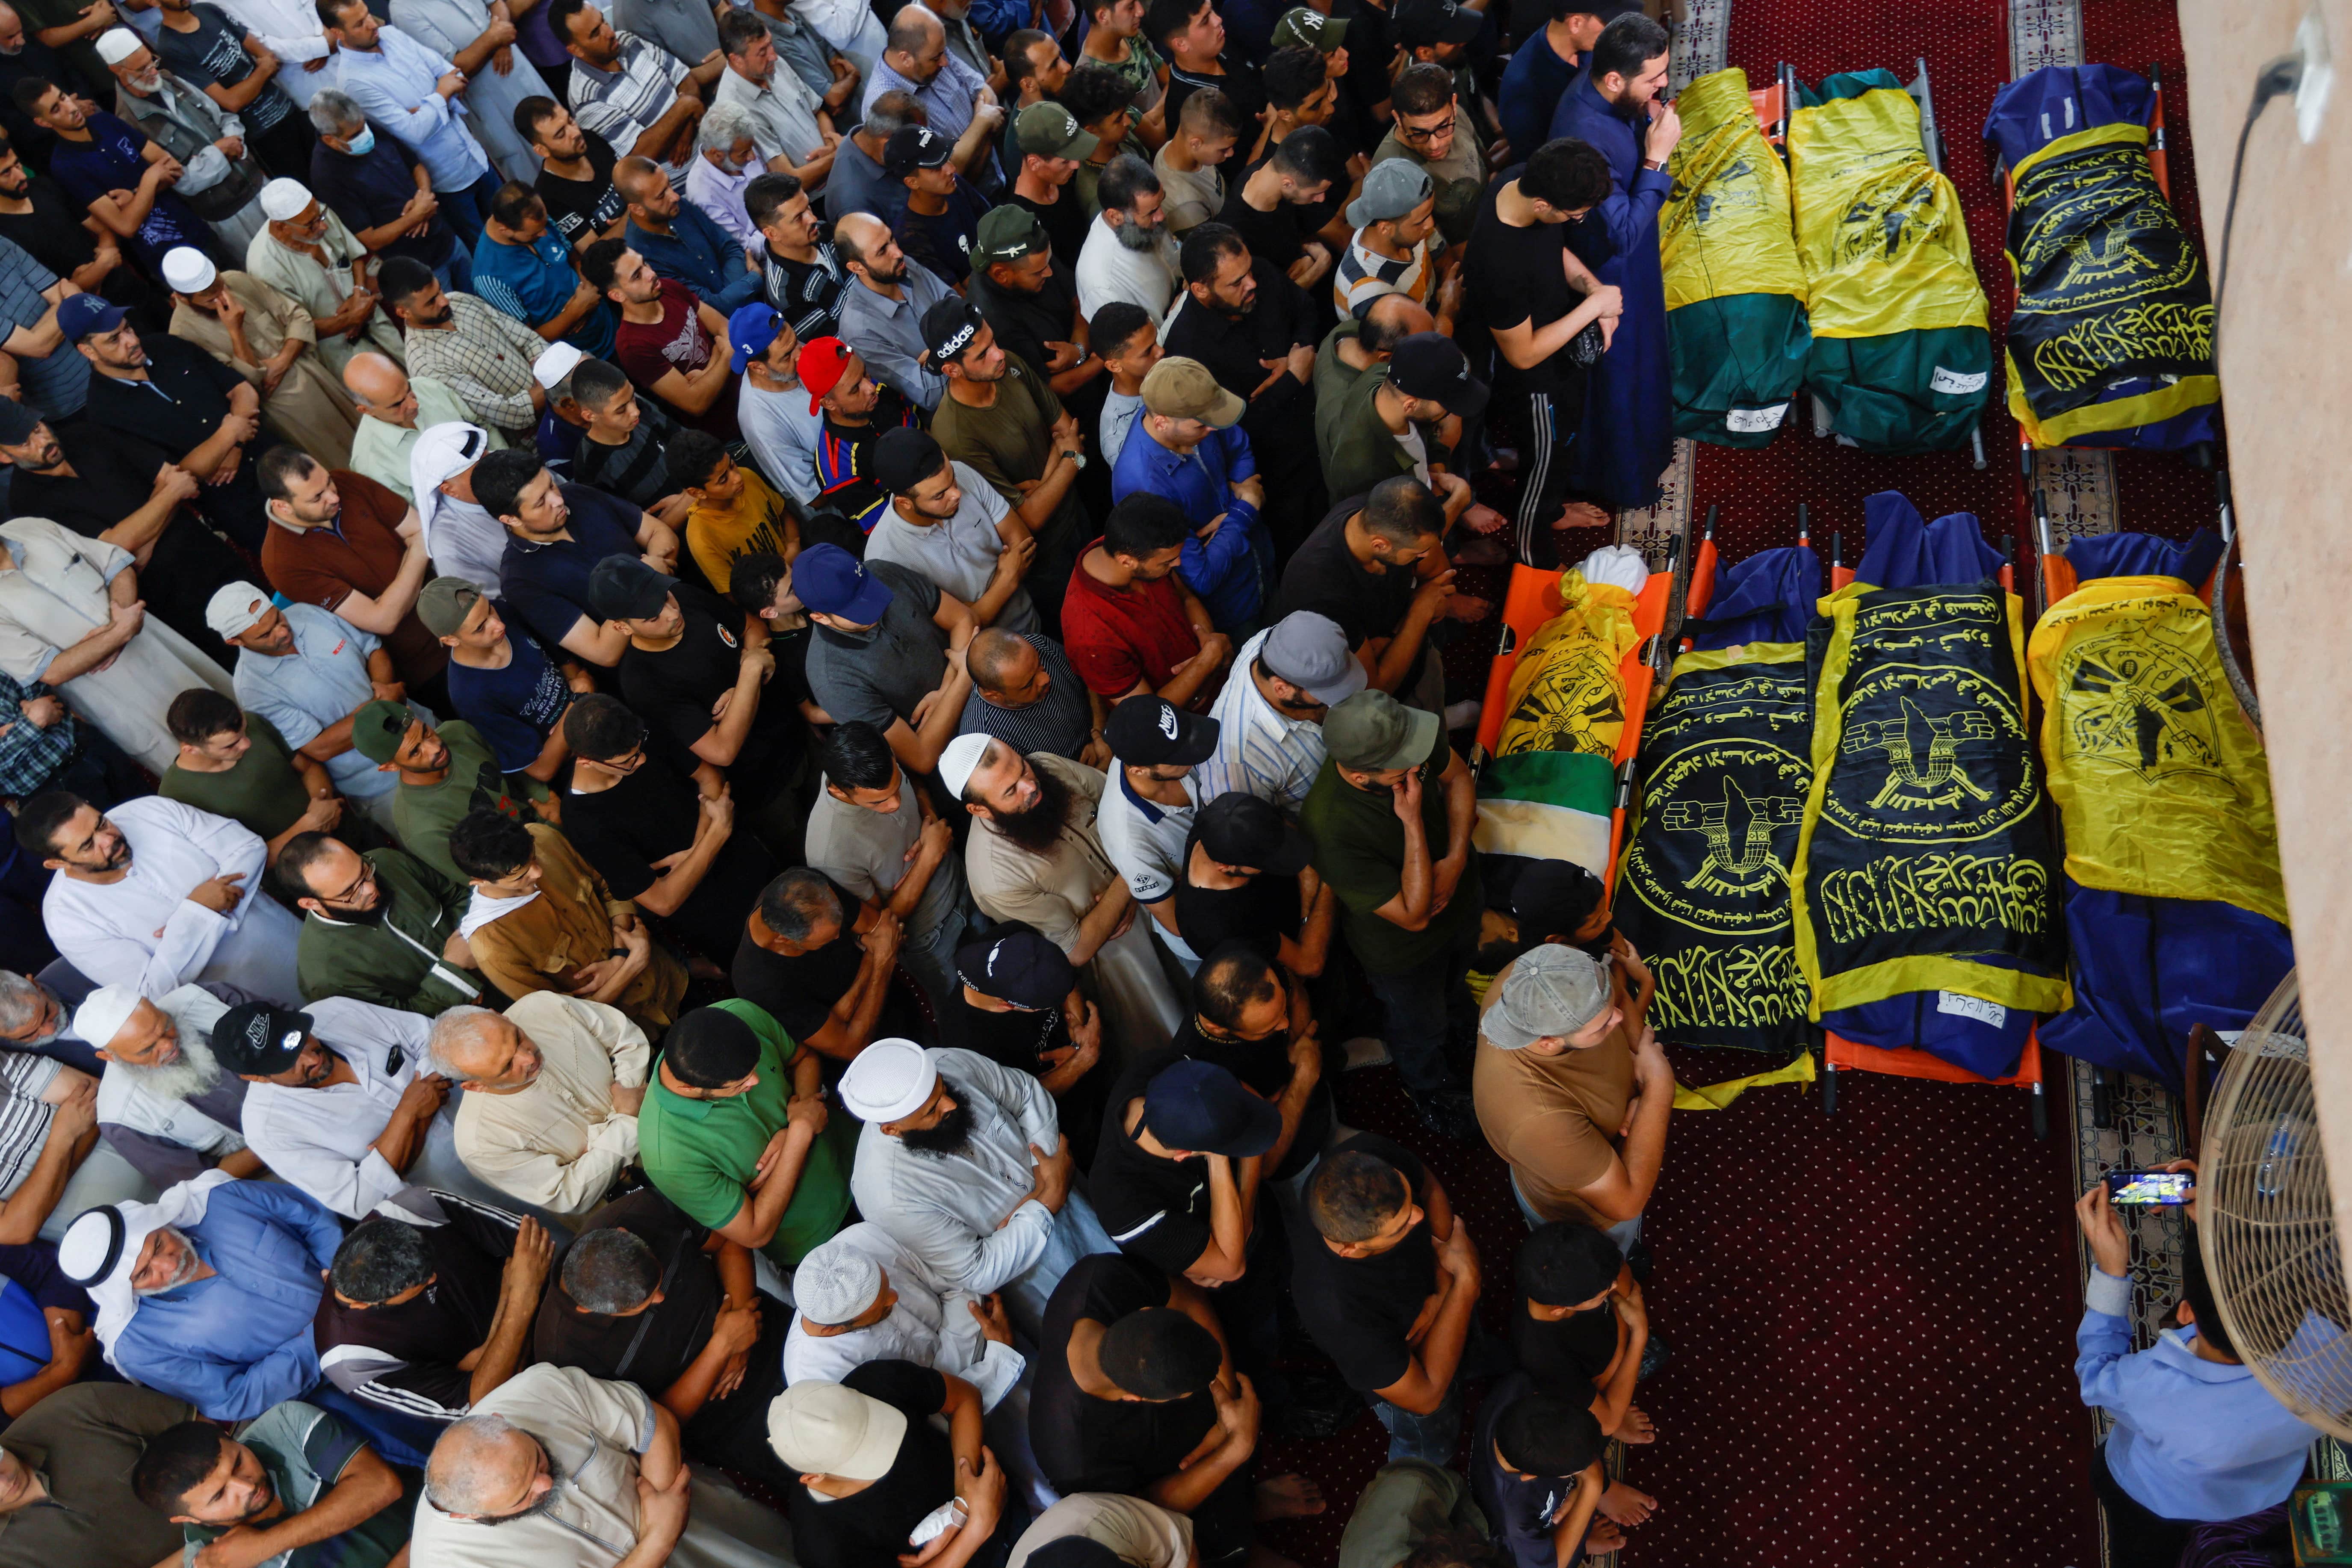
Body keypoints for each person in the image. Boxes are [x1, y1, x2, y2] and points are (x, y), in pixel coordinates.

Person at [2076, 1173, 2322, 1559]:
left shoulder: (2151, 1388)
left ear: (2186, 1311)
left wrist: (2111, 1271)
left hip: (2153, 1500)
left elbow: (2094, 1375)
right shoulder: (2336, 1355)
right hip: (2266, 1491)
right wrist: (2223, 1217)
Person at [1028, 1252, 1317, 1568]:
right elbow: (1141, 1512)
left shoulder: (1101, 1278)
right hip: (1166, 1485)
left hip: (1207, 1429)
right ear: (1137, 1399)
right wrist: (1236, 1447)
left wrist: (1227, 1398)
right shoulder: (1070, 1453)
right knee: (1217, 1537)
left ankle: (1251, 1500)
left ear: (1146, 1312)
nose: (1213, 1379)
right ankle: (1247, 1536)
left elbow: (1190, 1300)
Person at [1300, 688, 1481, 1139]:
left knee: (1457, 988)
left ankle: (1464, 1034)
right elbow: (1414, 914)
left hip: (1458, 901)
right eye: (1406, 764)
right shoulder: (1329, 825)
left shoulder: (1405, 733)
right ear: (1363, 777)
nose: (1419, 763)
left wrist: (1456, 858)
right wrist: (1412, 819)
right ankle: (1428, 1087)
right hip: (1403, 951)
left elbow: (1458, 778)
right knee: (1419, 1026)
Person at [838, 1036, 1113, 1331]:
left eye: (942, 1087)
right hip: (1034, 1267)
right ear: (892, 1129)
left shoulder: (944, 1062)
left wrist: (1043, 1174)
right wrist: (1047, 1200)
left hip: (1074, 1194)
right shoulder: (887, 1194)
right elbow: (978, 1269)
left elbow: (1026, 1094)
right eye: (932, 1110)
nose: (951, 1103)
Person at [531, 1191, 798, 1493]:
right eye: (644, 1303)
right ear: (588, 1309)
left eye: (660, 1281)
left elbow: (728, 1239)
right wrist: (722, 1348)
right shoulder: (565, 1355)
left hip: (764, 1326)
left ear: (624, 1234)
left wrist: (740, 1324)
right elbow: (651, 1422)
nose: (661, 1298)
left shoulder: (640, 1211)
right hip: (729, 1421)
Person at [409, 1361, 795, 1568]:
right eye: (523, 1495)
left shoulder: (536, 1390)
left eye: (538, 1460)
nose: (545, 1484)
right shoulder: (450, 1562)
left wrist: (664, 1498)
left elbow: (653, 1426)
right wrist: (657, 1541)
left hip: (713, 1520)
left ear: (499, 1419)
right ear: (467, 1515)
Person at [55, 1172, 339, 1419]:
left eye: (158, 1244)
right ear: (124, 1290)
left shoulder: (215, 1199)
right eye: (143, 1274)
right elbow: (235, 1396)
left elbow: (313, 1218)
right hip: (336, 1379)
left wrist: (348, 1275)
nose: (169, 1264)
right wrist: (331, 1328)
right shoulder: (139, 1347)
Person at [0, 404, 248, 676]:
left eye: (38, 428)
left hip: (206, 552)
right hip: (163, 597)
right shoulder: (26, 501)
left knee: (275, 619)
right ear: (4, 456)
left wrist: (144, 537)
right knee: (238, 670)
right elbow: (113, 546)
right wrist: (169, 497)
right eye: (26, 443)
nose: (43, 442)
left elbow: (174, 477)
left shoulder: (84, 435)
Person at [1295, 1136, 1499, 1461]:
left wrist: (1442, 1293)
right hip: (1407, 1374)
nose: (1418, 1215)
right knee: (1430, 1445)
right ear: (1351, 1249)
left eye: (1408, 1201)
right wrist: (1465, 1285)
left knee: (1468, 1349)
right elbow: (1427, 1395)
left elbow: (1429, 1187)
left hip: (1431, 1300)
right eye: (1402, 1225)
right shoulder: (1341, 1316)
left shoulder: (1363, 1161)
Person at [1546, 10, 1674, 510]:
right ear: (1615, 77)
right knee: (1622, 378)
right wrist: (1657, 157)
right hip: (1609, 272)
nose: (1662, 84)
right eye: (1653, 78)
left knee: (1646, 366)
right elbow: (1619, 232)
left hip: (1635, 264)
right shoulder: (1585, 133)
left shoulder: (1608, 92)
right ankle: (1623, 481)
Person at [559, 692, 778, 964]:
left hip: (748, 861)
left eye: (639, 750)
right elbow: (663, 901)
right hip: (711, 912)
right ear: (586, 761)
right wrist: (717, 835)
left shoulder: (638, 733)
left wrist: (699, 845)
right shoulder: (582, 819)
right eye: (627, 761)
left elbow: (709, 777)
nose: (641, 761)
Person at [208, 993, 471, 1218]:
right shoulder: (267, 1130)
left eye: (301, 1038)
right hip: (457, 1193)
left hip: (485, 1109)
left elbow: (435, 1038)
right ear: (256, 1078)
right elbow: (363, 1200)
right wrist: (407, 1113)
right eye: (287, 1062)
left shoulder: (332, 1011)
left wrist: (393, 1145)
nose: (311, 1057)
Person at [636, 999, 855, 1267]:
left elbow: (803, 1058)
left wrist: (803, 1111)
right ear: (689, 1090)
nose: (757, 1081)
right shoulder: (667, 1156)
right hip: (821, 1238)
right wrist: (799, 1134)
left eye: (755, 1068)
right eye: (740, 1084)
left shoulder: (737, 1014)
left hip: (857, 1152)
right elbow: (754, 1232)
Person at [27, 790, 303, 1002]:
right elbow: (151, 989)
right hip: (242, 998)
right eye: (88, 845)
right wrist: (197, 911)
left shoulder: (147, 811)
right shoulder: (67, 919)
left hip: (290, 940)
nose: (108, 839)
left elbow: (248, 847)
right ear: (57, 864)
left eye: (101, 823)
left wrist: (188, 931)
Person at [1474, 941, 1666, 1246]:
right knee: (1611, 1256)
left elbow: (1613, 992)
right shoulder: (1539, 1121)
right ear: (1548, 1043)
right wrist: (1657, 1086)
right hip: (1586, 1217)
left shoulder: (1527, 977)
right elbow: (1627, 1202)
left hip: (1600, 1147)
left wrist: (1637, 1054)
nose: (1618, 1018)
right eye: (1603, 1025)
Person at [65, 292, 276, 557]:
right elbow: (176, 476)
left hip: (273, 456)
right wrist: (230, 432)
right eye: (115, 339)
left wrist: (235, 443)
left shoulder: (166, 345)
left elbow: (242, 390)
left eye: (128, 328)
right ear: (88, 351)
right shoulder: (103, 414)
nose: (131, 341)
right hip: (237, 503)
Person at [445, 808, 689, 1031]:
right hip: (633, 1030)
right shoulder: (492, 946)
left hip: (671, 977)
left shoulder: (543, 837)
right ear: (480, 882)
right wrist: (632, 965)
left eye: (534, 858)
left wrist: (619, 957)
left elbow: (607, 887)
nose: (538, 872)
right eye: (520, 876)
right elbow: (568, 1017)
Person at [210, 582, 428, 832]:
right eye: (265, 634)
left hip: (425, 730)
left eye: (278, 618)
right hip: (383, 783)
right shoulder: (253, 689)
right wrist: (385, 705)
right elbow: (321, 747)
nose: (282, 632)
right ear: (234, 641)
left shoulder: (306, 614)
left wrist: (383, 688)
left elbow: (373, 649)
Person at [920, 301, 1085, 631]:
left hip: (1078, 516)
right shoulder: (956, 434)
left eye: (993, 342)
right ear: (952, 370)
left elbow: (1070, 430)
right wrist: (1070, 461)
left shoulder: (1008, 365)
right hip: (1048, 560)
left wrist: (1048, 476)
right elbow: (1028, 519)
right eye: (982, 354)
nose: (998, 354)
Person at [1161, 225, 1319, 552]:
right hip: (1275, 475)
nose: (1252, 284)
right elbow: (1223, 431)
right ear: (1201, 290)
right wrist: (1292, 381)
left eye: (1249, 272)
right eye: (1236, 283)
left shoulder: (1257, 272)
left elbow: (1305, 308)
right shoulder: (1188, 351)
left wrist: (1298, 351)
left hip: (1316, 434)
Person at [767, 1364, 1016, 1568]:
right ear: (812, 1478)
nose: (883, 1438)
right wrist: (977, 1528)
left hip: (1007, 1496)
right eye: (864, 1452)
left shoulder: (874, 1381)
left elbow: (964, 1398)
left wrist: (964, 1507)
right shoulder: (823, 1546)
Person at [426, 993, 647, 1222]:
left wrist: (606, 1154)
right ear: (476, 1086)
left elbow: (627, 1040)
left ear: (497, 1014)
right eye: (507, 1066)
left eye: (518, 1037)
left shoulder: (543, 1006)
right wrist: (625, 1118)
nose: (528, 1058)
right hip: (637, 1199)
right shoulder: (481, 1145)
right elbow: (571, 1194)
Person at [806, 718, 966, 1026]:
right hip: (933, 936)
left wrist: (929, 816)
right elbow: (882, 926)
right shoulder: (830, 851)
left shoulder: (875, 757)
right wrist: (930, 857)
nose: (894, 804)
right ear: (840, 792)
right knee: (962, 1011)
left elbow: (915, 784)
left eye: (895, 789)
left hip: (958, 875)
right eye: (879, 801)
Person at [257, 448, 447, 706]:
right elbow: (384, 621)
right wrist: (417, 550)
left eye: (328, 482)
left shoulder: (347, 481)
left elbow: (423, 534)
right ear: (283, 506)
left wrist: (391, 598)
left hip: (456, 610)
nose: (334, 496)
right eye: (317, 498)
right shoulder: (282, 560)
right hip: (423, 667)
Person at [1274, 476, 1464, 727]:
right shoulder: (1318, 588)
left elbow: (1435, 571)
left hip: (1402, 641)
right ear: (1381, 545)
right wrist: (1419, 611)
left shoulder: (1381, 512)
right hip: (1380, 701)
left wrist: (1432, 598)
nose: (1427, 556)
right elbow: (1374, 691)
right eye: (1418, 554)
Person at [133, 1402, 417, 1568]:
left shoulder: (285, 1423)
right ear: (188, 1518)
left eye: (238, 1462)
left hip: (445, 1519)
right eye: (220, 1495)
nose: (246, 1486)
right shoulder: (213, 1560)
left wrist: (264, 1546)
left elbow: (381, 1485)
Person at [472, 445, 681, 666]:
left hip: (688, 605)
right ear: (510, 519)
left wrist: (650, 574)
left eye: (551, 485)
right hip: (655, 663)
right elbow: (603, 652)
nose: (558, 500)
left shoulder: (578, 495)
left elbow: (661, 534)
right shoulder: (520, 580)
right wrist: (648, 576)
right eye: (541, 502)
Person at [1510, 1218, 1658, 1527]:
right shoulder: (1543, 1355)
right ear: (1560, 1310)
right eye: (1602, 1293)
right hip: (1589, 1383)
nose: (1614, 1286)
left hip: (1604, 1359)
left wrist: (1618, 1304)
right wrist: (1638, 1334)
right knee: (1588, 1433)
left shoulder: (1583, 1256)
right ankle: (1598, 1485)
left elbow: (1624, 1280)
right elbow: (1607, 1422)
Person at [782, 1222, 1024, 1409]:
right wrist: (999, 1355)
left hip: (979, 1318)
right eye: (882, 1307)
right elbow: (930, 1416)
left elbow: (953, 1280)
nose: (894, 1298)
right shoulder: (821, 1384)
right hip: (970, 1399)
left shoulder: (862, 1241)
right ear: (834, 1329)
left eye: (886, 1287)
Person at [1112, 354, 1271, 637]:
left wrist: (1239, 484)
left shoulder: (1196, 416)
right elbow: (1201, 576)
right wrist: (1245, 509)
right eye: (1202, 426)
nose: (1213, 430)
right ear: (1161, 423)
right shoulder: (1142, 484)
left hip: (1261, 562)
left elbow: (1239, 446)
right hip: (1230, 606)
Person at [160, 246, 363, 465]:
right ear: (181, 298)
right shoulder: (183, 334)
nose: (222, 297)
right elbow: (246, 384)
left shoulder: (236, 281)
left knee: (365, 439)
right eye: (210, 299)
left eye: (219, 286)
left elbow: (298, 316)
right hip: (282, 411)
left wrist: (283, 361)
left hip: (315, 374)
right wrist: (235, 331)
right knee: (341, 464)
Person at [319, 0, 501, 243]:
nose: (373, 24)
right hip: (447, 181)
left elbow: (454, 75)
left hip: (475, 154)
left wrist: (428, 104)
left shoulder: (392, 35)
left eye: (368, 15)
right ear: (338, 33)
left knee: (519, 220)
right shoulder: (354, 82)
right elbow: (413, 132)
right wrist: (440, 93)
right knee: (490, 251)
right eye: (360, 24)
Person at [795, 540, 975, 776]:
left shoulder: (882, 571)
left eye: (868, 591)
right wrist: (966, 675)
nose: (874, 607)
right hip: (956, 755)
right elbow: (922, 757)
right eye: (855, 610)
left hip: (982, 689)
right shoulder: (832, 678)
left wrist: (947, 688)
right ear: (821, 618)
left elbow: (963, 618)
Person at [18, 74, 215, 282]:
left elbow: (173, 168)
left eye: (64, 97)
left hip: (195, 226)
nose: (71, 108)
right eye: (56, 109)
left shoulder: (106, 122)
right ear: (43, 122)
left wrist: (136, 196)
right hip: (167, 259)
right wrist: (150, 178)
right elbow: (126, 226)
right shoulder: (64, 166)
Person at [277, 830, 489, 1014]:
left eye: (365, 871)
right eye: (351, 892)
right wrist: (455, 975)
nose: (370, 889)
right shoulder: (327, 974)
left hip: (496, 952)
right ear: (310, 903)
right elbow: (404, 1024)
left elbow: (460, 896)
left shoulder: (385, 861)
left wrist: (473, 943)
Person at [99, 30, 269, 258]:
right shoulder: (128, 124)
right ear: (117, 71)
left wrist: (234, 144)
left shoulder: (170, 80)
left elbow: (225, 118)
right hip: (229, 215)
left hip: (257, 182)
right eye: (141, 70)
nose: (152, 72)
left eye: (152, 62)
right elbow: (182, 181)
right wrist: (221, 152)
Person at [75, 982, 261, 1187]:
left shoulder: (202, 997)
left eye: (166, 1027)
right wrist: (275, 1139)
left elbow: (294, 1026)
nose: (167, 1044)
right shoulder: (124, 1121)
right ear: (109, 1057)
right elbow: (201, 1186)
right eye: (147, 1049)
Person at [866, 421, 1038, 635]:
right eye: (939, 496)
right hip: (981, 654)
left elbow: (1023, 541)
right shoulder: (886, 557)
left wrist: (980, 606)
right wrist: (1007, 578)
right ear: (904, 502)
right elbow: (959, 630)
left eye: (953, 478)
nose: (956, 494)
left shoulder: (961, 472)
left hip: (1029, 615)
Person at [947, 924, 1105, 1157]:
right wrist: (1084, 1060)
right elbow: (1019, 1101)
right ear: (1008, 1006)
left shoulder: (1014, 938)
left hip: (1081, 1063)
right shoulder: (968, 1047)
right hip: (1057, 1116)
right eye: (1046, 1004)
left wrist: (1075, 1025)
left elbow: (1063, 975)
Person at [1061, 493, 1229, 711]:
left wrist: (1208, 641)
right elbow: (1148, 713)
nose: (1178, 563)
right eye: (1169, 561)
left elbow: (1186, 597)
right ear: (1127, 561)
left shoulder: (1133, 547)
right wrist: (1207, 661)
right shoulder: (1091, 638)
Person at [0, 1384, 198, 1568]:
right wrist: (202, 1552)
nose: (3, 1480)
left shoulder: (72, 1409)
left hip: (226, 1506)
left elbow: (208, 1436)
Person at [732, 866, 916, 1059]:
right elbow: (851, 1047)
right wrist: (880, 963)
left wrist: (847, 1007)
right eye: (827, 939)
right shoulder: (757, 982)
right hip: (871, 1057)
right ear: (785, 940)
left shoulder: (808, 890)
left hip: (895, 1000)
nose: (840, 936)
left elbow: (881, 928)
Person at [417, 577, 585, 787]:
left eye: (489, 609)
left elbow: (559, 655)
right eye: (480, 628)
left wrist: (577, 677)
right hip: (576, 764)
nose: (498, 625)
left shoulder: (503, 612)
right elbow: (542, 769)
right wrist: (577, 705)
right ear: (451, 640)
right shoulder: (470, 696)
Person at [307, 89, 473, 296]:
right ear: (331, 140)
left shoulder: (364, 128)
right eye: (355, 135)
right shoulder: (327, 176)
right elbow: (371, 239)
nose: (365, 135)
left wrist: (423, 196)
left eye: (364, 126)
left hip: (447, 239)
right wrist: (416, 216)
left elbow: (415, 165)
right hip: (420, 269)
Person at [246, 179, 410, 382]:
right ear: (282, 227)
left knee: (415, 371)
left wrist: (359, 292)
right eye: (310, 225)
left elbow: (355, 256)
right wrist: (350, 320)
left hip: (370, 315)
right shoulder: (264, 266)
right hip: (337, 348)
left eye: (320, 216)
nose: (323, 225)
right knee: (389, 395)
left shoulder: (318, 214)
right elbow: (296, 329)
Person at [160, 690, 347, 866]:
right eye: (231, 745)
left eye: (245, 730)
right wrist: (310, 825)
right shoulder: (177, 796)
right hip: (305, 871)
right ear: (191, 750)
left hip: (344, 831)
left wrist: (322, 805)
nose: (247, 743)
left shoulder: (254, 723)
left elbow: (308, 768)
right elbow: (243, 862)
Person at [1092, 693, 1210, 968]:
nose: (1192, 754)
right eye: (1178, 756)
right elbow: (1178, 923)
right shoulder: (1128, 839)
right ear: (1140, 771)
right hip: (1204, 936)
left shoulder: (1155, 745)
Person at [379, 259, 556, 437]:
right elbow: (511, 414)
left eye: (439, 289)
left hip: (557, 398)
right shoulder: (426, 365)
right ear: (404, 312)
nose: (443, 301)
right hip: (535, 438)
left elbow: (529, 339)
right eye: (431, 302)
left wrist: (547, 375)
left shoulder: (459, 301)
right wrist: (552, 383)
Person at [581, 238, 740, 435]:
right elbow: (697, 403)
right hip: (730, 427)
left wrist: (709, 369)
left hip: (748, 386)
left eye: (644, 264)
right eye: (637, 276)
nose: (651, 274)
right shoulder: (633, 347)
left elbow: (726, 328)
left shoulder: (667, 288)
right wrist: (724, 355)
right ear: (617, 295)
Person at [549, 0, 719, 180]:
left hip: (709, 141)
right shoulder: (586, 99)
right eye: (595, 33)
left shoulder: (628, 41)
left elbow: (686, 80)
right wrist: (685, 106)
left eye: (603, 22)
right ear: (576, 50)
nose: (609, 33)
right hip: (680, 177)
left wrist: (686, 129)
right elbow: (640, 152)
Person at [388, 0, 553, 186]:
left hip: (521, 73)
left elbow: (497, 3)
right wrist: (494, 38)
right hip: (489, 105)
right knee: (531, 175)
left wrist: (502, 41)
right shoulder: (403, 10)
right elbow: (454, 71)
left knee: (560, 134)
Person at [966, 205, 1101, 417]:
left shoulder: (1035, 257)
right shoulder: (995, 323)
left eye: (1049, 262)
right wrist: (1104, 358)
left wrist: (1079, 350)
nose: (1049, 272)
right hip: (1071, 409)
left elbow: (1079, 300)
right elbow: (1047, 388)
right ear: (1002, 275)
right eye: (1039, 272)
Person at [858, 3, 1001, 192]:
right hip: (968, 198)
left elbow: (985, 92)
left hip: (995, 174)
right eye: (936, 58)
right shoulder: (885, 106)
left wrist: (976, 142)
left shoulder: (934, 50)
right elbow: (947, 169)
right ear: (906, 58)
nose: (945, 62)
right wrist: (983, 123)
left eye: (943, 53)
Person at [1469, 1378, 1611, 1568]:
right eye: (1575, 1470)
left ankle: (1582, 1524)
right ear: (1529, 1476)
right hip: (1537, 1543)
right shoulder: (1512, 1523)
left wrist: (1583, 1488)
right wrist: (1594, 1485)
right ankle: (1581, 1539)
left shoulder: (1518, 1388)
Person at [471, 182, 617, 355]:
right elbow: (529, 341)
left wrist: (587, 288)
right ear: (505, 230)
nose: (544, 234)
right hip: (581, 357)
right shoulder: (490, 278)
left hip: (611, 323)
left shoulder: (538, 218)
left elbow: (574, 258)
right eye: (534, 234)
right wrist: (576, 311)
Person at [833, 209, 953, 410]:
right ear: (857, 268)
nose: (897, 253)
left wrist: (934, 358)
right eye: (882, 251)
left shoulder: (901, 266)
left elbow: (960, 309)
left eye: (891, 239)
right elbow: (931, 395)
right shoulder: (861, 332)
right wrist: (945, 352)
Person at [345, 353, 505, 502]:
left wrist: (509, 463)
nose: (414, 404)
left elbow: (485, 427)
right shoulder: (369, 463)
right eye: (398, 404)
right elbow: (416, 517)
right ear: (366, 410)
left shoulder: (428, 387)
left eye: (409, 390)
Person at [615, 154, 765, 313]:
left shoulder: (677, 206)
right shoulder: (642, 257)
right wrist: (753, 279)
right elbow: (708, 307)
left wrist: (731, 296)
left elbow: (730, 248)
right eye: (661, 196)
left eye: (669, 185)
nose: (675, 196)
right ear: (637, 209)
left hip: (755, 304)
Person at [667, 429, 804, 595]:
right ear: (697, 493)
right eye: (723, 480)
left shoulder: (748, 477)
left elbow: (783, 514)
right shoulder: (702, 537)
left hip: (799, 565)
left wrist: (794, 545)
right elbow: (733, 594)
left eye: (732, 465)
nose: (737, 478)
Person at [710, 9, 833, 190]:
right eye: (762, 52)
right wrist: (837, 155)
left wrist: (831, 145)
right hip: (814, 200)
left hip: (834, 171)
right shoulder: (735, 111)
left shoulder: (773, 64)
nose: (773, 55)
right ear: (736, 60)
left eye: (770, 44)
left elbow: (818, 111)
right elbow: (790, 180)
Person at [1497, 0, 1631, 162]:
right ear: (1576, 23)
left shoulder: (1587, 43)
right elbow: (1538, 167)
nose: (1616, 33)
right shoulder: (1524, 87)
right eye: (1609, 24)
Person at [1213, 117, 1336, 289]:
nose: (1321, 199)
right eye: (1316, 193)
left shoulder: (1270, 169)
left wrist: (1304, 256)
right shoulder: (1238, 233)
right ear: (1288, 183)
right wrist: (1322, 264)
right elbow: (1268, 303)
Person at [1378, 61, 1487, 251]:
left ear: (1454, 104)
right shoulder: (1391, 171)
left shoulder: (1458, 115)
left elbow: (1484, 161)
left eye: (1444, 127)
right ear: (1398, 118)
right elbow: (1436, 253)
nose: (1434, 145)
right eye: (1419, 133)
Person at [564, 354, 692, 517]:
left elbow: (691, 445)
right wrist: (690, 501)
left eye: (633, 397)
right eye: (621, 410)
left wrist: (689, 496)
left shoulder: (642, 411)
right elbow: (636, 532)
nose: (635, 411)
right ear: (590, 416)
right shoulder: (590, 466)